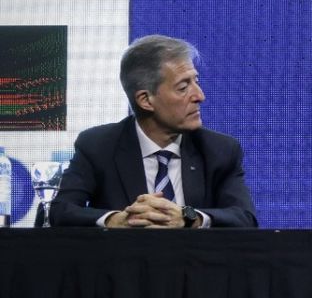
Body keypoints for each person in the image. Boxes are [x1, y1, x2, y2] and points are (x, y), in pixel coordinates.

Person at [50, 35, 258, 228]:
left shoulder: (219, 150)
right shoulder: (98, 146)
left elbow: (244, 217)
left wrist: (188, 217)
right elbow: (61, 211)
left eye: (196, 81)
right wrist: (117, 220)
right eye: (183, 87)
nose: (199, 95)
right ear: (146, 100)